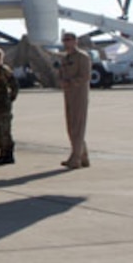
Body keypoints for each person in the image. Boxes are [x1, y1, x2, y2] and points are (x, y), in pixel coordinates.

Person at [59, 32, 91, 169]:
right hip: (68, 94)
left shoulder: (82, 57)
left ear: (75, 41)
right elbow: (61, 73)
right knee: (72, 126)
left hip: (79, 94)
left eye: (69, 40)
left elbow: (85, 76)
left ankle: (75, 158)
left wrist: (71, 82)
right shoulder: (65, 58)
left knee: (78, 125)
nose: (66, 43)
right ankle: (83, 156)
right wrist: (62, 81)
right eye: (64, 40)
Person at [0, 48, 19, 165]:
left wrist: (10, 99)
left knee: (5, 131)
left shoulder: (4, 70)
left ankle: (8, 155)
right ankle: (1, 153)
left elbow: (15, 85)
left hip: (3, 105)